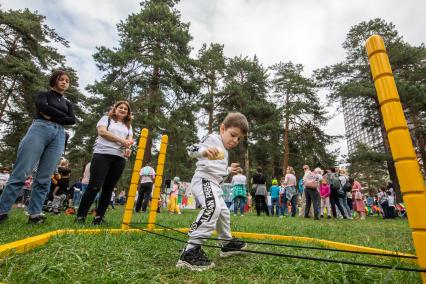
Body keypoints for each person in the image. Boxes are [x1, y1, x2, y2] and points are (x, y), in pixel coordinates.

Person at [0, 70, 75, 224]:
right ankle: (2, 210)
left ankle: (34, 214)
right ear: (54, 80)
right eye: (61, 79)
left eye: (67, 81)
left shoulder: (68, 103)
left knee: (45, 177)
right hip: (40, 129)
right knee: (21, 172)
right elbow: (42, 107)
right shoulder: (43, 95)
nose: (64, 83)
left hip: (59, 135)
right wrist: (58, 116)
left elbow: (71, 120)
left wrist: (51, 115)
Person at [177, 112, 249, 271]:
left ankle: (226, 243)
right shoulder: (213, 139)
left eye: (239, 139)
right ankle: (190, 251)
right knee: (213, 208)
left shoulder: (225, 151)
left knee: (223, 212)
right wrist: (203, 151)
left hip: (214, 185)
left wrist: (230, 169)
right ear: (222, 128)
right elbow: (192, 149)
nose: (235, 140)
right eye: (233, 135)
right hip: (203, 181)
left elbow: (218, 170)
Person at [76, 101, 133, 225]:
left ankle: (99, 217)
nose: (123, 110)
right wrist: (122, 141)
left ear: (128, 113)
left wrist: (128, 149)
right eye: (120, 107)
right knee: (94, 186)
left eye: (125, 109)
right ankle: (81, 216)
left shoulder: (128, 126)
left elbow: (129, 142)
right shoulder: (106, 119)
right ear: (115, 109)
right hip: (102, 154)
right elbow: (102, 132)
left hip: (119, 158)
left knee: (108, 189)